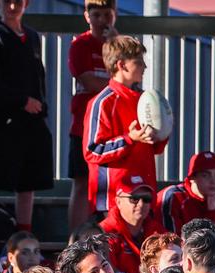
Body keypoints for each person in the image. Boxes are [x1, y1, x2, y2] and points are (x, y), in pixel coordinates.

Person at [0, 0, 52, 237]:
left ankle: (24, 239)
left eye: (18, 1)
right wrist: (21, 101)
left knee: (28, 184)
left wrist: (40, 105)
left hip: (34, 121)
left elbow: (39, 77)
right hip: (7, 120)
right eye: (7, 1)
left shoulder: (32, 36)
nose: (13, 6)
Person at [83, 35, 167, 216]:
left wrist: (162, 133)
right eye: (138, 62)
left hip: (144, 197)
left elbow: (155, 148)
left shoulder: (144, 99)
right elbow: (93, 150)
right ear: (121, 65)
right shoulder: (103, 102)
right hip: (112, 203)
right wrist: (130, 139)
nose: (144, 67)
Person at [67, 0, 118, 228]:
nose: (101, 21)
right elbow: (88, 80)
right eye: (96, 15)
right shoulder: (81, 44)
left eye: (106, 15)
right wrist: (116, 86)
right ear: (87, 16)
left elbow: (131, 74)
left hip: (114, 127)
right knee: (81, 182)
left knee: (113, 184)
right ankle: (75, 238)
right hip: (84, 126)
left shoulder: (118, 46)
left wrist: (115, 44)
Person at [99, 175, 165, 273]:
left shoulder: (157, 231)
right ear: (118, 201)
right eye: (134, 198)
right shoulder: (105, 234)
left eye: (146, 199)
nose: (141, 204)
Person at [156, 151, 215, 235]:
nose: (213, 181)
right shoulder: (173, 196)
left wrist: (212, 204)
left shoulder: (214, 197)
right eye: (205, 175)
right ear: (192, 177)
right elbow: (171, 241)